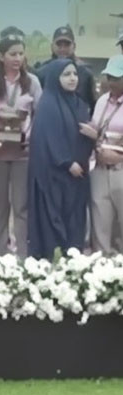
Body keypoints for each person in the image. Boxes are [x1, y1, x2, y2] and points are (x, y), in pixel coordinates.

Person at [0, 34, 42, 258]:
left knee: (21, 208)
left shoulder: (32, 82)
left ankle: (22, 257)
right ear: (1, 56)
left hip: (23, 153)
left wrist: (27, 136)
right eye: (13, 54)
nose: (17, 58)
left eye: (21, 54)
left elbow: (39, 115)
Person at [28, 59, 95, 259]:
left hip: (77, 176)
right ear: (55, 78)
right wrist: (66, 162)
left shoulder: (80, 103)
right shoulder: (48, 104)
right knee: (53, 223)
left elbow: (82, 136)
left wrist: (93, 138)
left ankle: (73, 262)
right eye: (66, 74)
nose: (72, 78)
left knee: (74, 222)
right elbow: (47, 139)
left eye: (74, 74)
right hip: (53, 177)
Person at [86, 55, 123, 255]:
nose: (111, 82)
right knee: (100, 222)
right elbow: (96, 125)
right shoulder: (102, 101)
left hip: (120, 169)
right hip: (99, 169)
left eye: (117, 78)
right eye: (109, 77)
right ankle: (101, 267)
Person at [35, 26, 96, 114]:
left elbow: (93, 104)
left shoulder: (85, 73)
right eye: (59, 44)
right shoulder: (41, 72)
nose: (62, 49)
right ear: (52, 46)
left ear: (74, 46)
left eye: (67, 45)